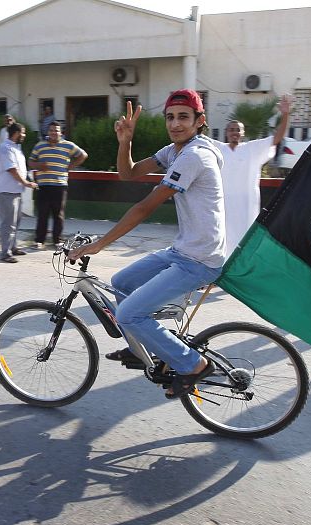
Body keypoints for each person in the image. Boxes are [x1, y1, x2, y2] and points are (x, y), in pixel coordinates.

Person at [68, 89, 225, 400]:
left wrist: (100, 243)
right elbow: (128, 174)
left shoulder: (195, 156)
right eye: (170, 117)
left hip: (200, 260)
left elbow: (144, 207)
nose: (176, 124)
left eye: (183, 117)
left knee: (127, 314)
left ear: (200, 121)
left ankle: (194, 365)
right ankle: (143, 346)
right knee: (121, 282)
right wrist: (125, 141)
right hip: (184, 250)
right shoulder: (176, 151)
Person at [213, 94, 291, 257]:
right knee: (220, 240)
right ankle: (217, 276)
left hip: (246, 206)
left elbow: (277, 138)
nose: (234, 132)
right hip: (223, 205)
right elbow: (197, 138)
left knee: (245, 242)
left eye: (238, 130)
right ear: (226, 132)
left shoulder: (253, 148)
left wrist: (285, 114)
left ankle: (240, 277)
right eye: (231, 130)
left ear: (243, 133)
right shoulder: (217, 148)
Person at [28, 122, 88, 248]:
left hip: (60, 185)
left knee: (58, 215)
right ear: (48, 132)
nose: (53, 133)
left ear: (61, 133)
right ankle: (39, 241)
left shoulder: (68, 145)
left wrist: (71, 166)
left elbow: (83, 155)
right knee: (42, 214)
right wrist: (39, 166)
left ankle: (57, 241)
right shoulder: (40, 146)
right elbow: (30, 161)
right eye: (51, 130)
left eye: (56, 130)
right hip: (43, 185)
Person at [0, 122, 38, 263]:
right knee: (8, 223)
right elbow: (12, 169)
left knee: (15, 222)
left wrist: (26, 179)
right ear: (16, 133)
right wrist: (26, 183)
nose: (24, 135)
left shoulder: (16, 148)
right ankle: (5, 253)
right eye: (23, 133)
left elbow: (19, 169)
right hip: (6, 191)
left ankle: (12, 247)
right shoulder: (5, 148)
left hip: (15, 191)